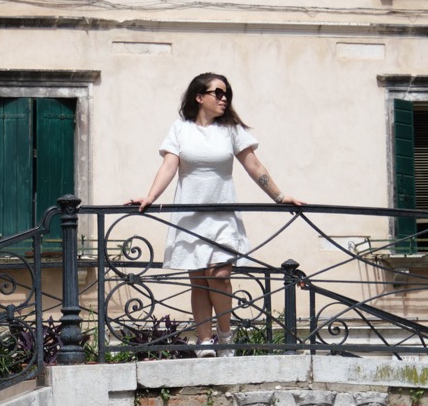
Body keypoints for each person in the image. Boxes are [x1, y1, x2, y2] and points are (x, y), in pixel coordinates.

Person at [127, 73, 300, 356]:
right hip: (190, 214)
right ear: (199, 97)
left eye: (226, 94)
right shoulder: (181, 129)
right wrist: (151, 196)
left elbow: (254, 165)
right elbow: (169, 166)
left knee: (219, 276)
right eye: (218, 93)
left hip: (223, 215)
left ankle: (225, 335)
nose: (224, 98)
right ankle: (204, 341)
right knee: (198, 280)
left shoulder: (231, 129)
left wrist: (280, 196)